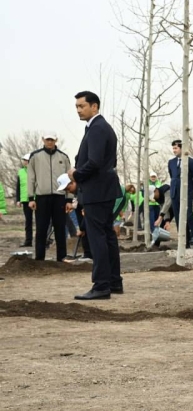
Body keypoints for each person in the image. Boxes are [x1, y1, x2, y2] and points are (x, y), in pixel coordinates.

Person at [69, 90, 123, 300]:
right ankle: (113, 281)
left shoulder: (98, 128)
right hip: (102, 189)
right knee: (107, 236)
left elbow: (95, 162)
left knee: (97, 237)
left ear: (94, 106)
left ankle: (101, 286)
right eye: (77, 107)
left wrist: (76, 175)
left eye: (81, 106)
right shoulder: (97, 128)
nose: (78, 110)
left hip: (97, 192)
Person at [27, 134, 72, 261]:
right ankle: (40, 258)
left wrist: (69, 199)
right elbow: (31, 177)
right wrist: (31, 198)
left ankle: (61, 257)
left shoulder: (63, 157)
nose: (50, 142)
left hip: (59, 198)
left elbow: (70, 179)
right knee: (41, 228)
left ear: (56, 140)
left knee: (60, 228)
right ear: (43, 140)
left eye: (52, 139)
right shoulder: (35, 156)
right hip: (42, 197)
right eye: (47, 139)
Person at [168, 139, 193, 247]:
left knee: (189, 216)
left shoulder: (191, 162)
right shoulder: (171, 162)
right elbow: (172, 176)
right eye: (173, 148)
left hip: (186, 193)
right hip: (174, 193)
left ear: (182, 148)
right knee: (178, 218)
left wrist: (189, 189)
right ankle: (184, 242)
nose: (174, 150)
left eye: (176, 148)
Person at [16, 153, 33, 247]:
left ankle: (43, 240)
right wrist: (18, 199)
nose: (25, 162)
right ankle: (28, 241)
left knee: (41, 221)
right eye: (24, 160)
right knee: (28, 221)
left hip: (36, 199)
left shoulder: (36, 170)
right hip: (25, 200)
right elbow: (18, 186)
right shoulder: (20, 172)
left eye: (26, 160)